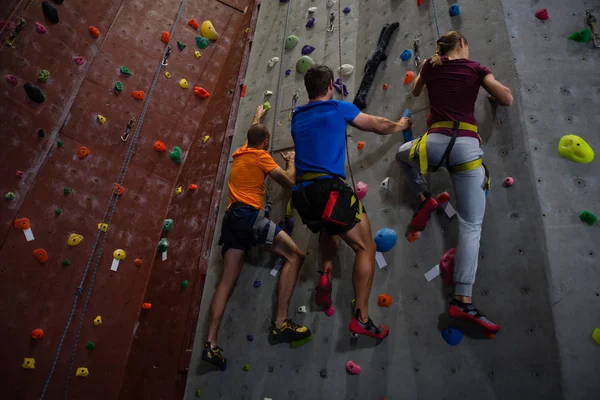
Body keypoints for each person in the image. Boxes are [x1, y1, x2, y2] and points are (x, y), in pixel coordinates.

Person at [396, 31, 513, 332]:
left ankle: (423, 197)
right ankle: (462, 299)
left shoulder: (430, 66)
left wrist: (426, 71)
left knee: (402, 155)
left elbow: (415, 93)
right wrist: (490, 92)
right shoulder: (476, 69)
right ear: (462, 44)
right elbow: (507, 99)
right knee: (471, 225)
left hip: (433, 143)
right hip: (465, 146)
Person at [290, 64, 412, 340]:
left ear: (309, 90)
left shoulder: (296, 117)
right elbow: (377, 125)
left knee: (329, 227)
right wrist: (400, 125)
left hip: (303, 194)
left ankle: (325, 272)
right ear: (330, 86)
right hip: (327, 188)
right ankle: (362, 318)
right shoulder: (337, 108)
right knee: (365, 246)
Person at [202, 105, 311, 371]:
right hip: (249, 216)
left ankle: (211, 344)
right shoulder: (262, 157)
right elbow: (288, 182)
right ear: (265, 143)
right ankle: (280, 323)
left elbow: (252, 137)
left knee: (226, 283)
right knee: (295, 255)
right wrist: (291, 162)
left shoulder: (240, 154)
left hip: (232, 220)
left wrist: (257, 118)